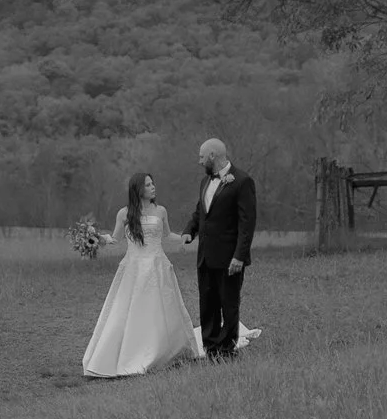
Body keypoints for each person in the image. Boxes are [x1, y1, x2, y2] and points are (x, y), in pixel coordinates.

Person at [81, 171, 204, 378]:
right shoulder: (124, 213)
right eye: (148, 185)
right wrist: (97, 239)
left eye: (153, 183)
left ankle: (161, 350)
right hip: (134, 268)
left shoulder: (161, 211)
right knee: (132, 310)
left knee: (158, 309)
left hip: (158, 266)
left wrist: (187, 238)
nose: (153, 187)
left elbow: (167, 235)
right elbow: (116, 239)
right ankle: (134, 352)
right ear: (138, 189)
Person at [181, 137, 257, 361]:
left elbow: (247, 223)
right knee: (208, 303)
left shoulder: (242, 181)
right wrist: (189, 231)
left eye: (202, 157)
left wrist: (239, 257)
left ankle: (227, 350)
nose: (199, 161)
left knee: (228, 303)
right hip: (205, 256)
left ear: (213, 156)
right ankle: (211, 348)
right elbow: (200, 212)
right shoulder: (205, 182)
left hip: (229, 258)